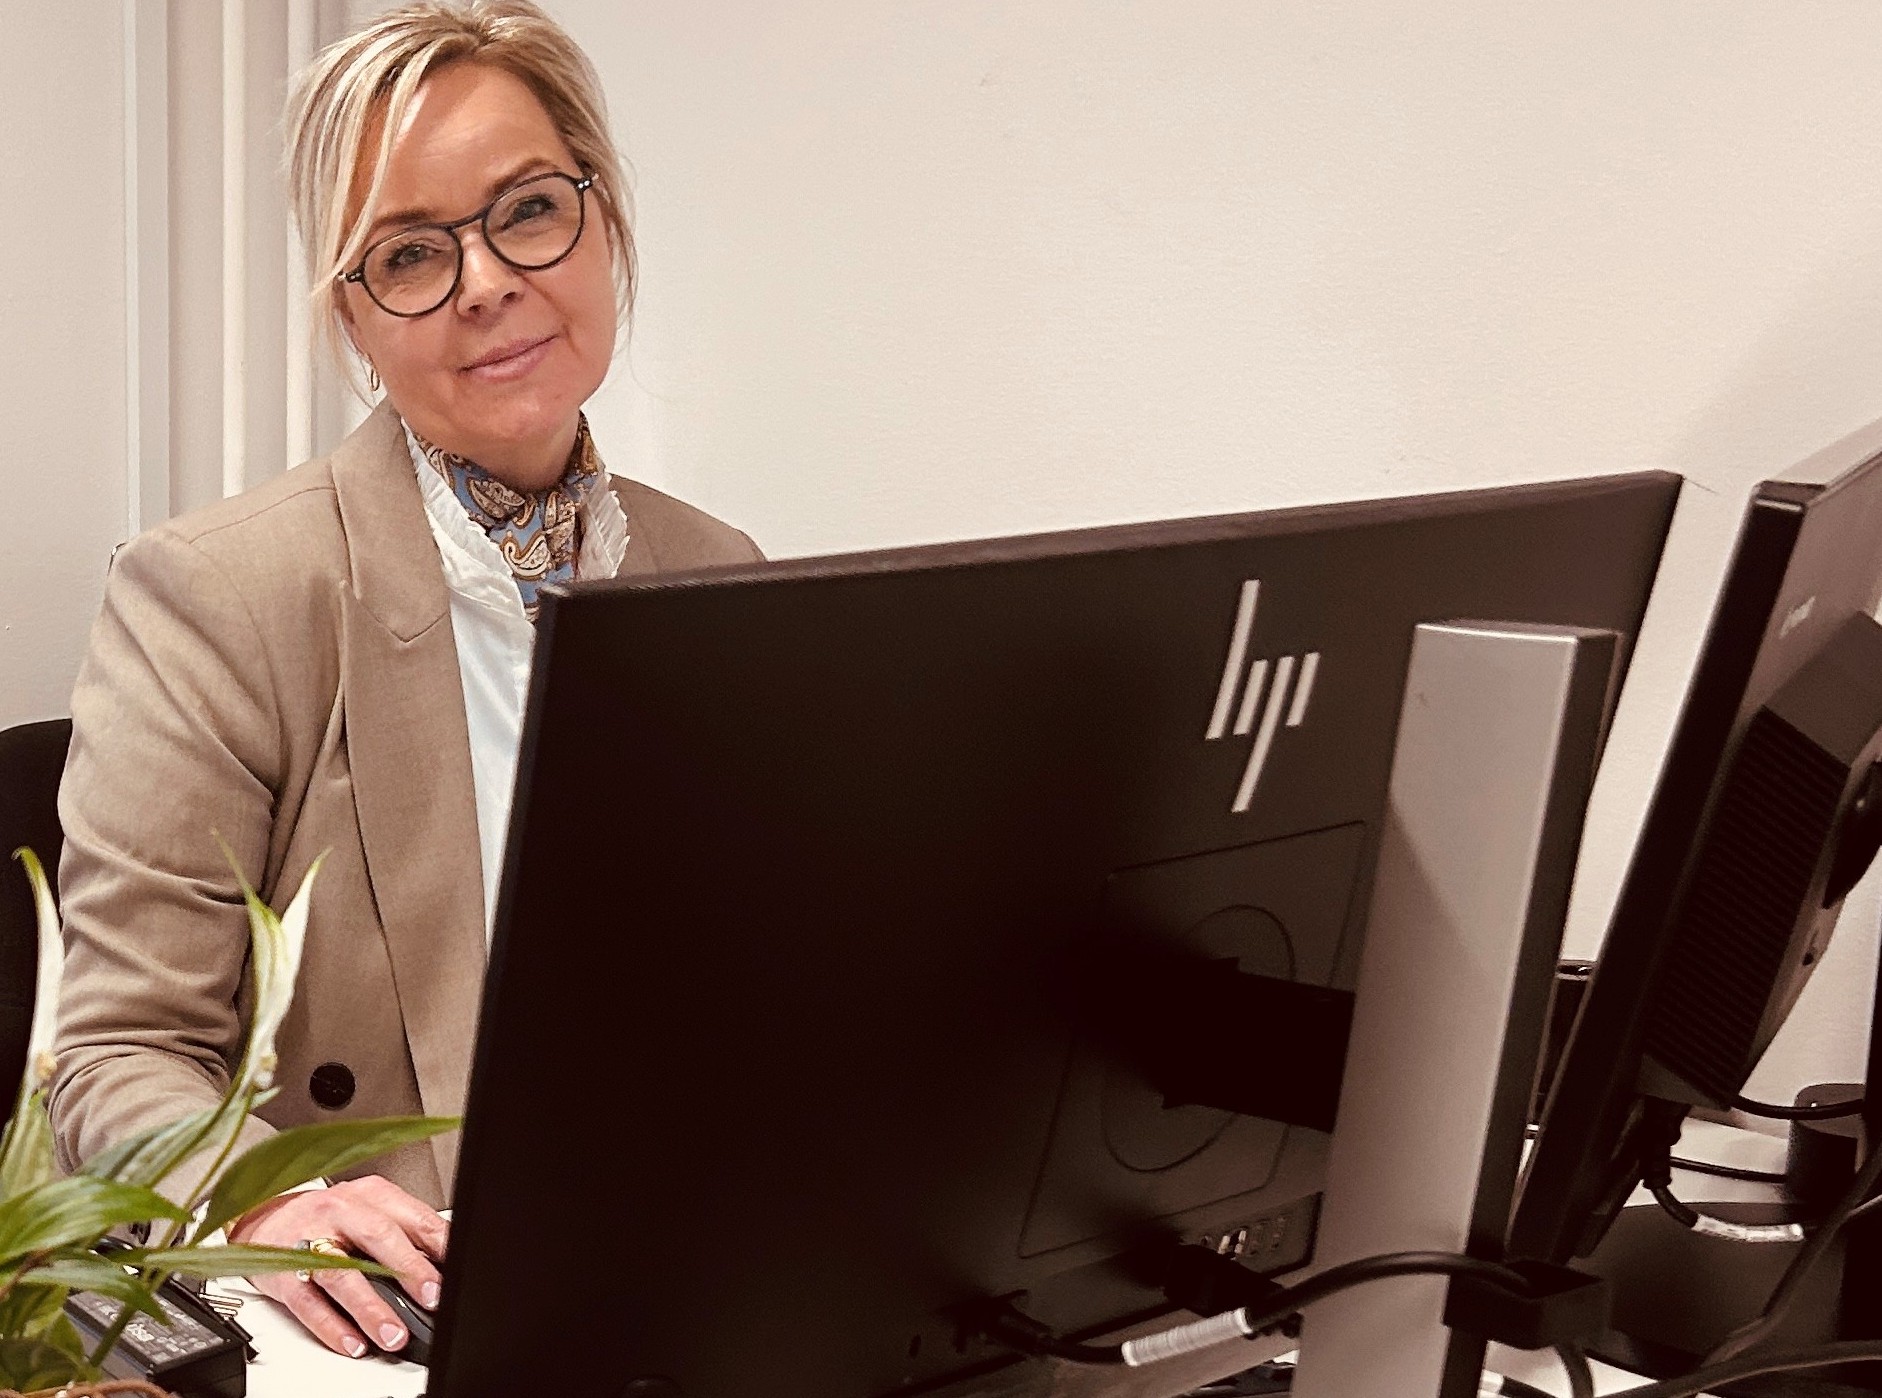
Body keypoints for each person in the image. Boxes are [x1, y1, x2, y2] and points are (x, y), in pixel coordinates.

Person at [48, 0, 760, 1361]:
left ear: (602, 221)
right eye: (410, 255)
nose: (485, 281)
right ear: (354, 321)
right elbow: (117, 1053)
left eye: (529, 210)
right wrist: (272, 1200)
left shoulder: (711, 568)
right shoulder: (219, 592)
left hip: (671, 1275)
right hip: (408, 1303)